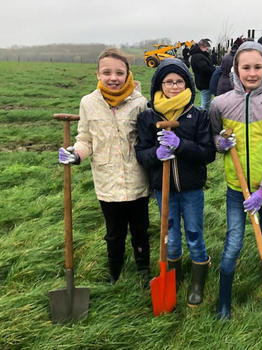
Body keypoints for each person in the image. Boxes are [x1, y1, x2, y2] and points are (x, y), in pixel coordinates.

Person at [209, 41, 262, 320]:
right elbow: (213, 139)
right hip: (237, 189)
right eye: (246, 67)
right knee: (233, 242)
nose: (252, 72)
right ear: (236, 69)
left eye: (258, 66)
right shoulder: (220, 104)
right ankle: (224, 300)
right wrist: (221, 143)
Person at [58, 48, 150, 286]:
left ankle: (143, 269)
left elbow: (146, 138)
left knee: (140, 229)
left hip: (137, 179)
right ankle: (114, 270)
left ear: (128, 74)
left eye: (119, 73)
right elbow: (85, 139)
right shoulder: (88, 103)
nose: (113, 78)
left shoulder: (140, 103)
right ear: (98, 74)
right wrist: (76, 153)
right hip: (107, 181)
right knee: (114, 232)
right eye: (107, 72)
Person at [135, 58, 216, 307]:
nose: (174, 86)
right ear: (159, 84)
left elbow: (208, 153)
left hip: (191, 188)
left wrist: (180, 145)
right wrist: (156, 154)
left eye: (179, 81)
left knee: (194, 232)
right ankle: (173, 276)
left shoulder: (198, 115)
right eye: (168, 81)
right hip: (163, 189)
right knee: (170, 234)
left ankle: (197, 281)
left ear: (187, 83)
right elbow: (141, 153)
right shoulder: (148, 116)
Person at [190, 39, 216, 111]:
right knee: (205, 104)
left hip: (204, 82)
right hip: (204, 83)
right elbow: (205, 69)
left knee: (207, 103)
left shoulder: (200, 55)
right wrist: (214, 70)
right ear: (202, 47)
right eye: (207, 48)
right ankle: (203, 118)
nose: (208, 50)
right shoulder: (198, 57)